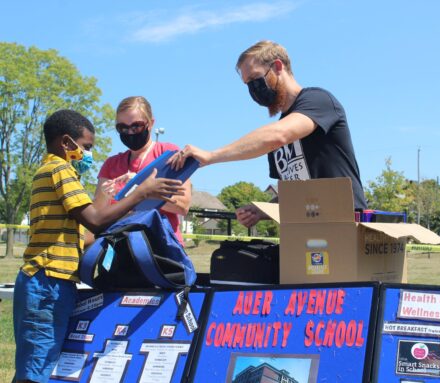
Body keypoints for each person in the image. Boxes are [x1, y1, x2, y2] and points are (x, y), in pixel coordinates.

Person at [13, 109, 183, 383]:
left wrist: (128, 211)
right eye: (86, 147)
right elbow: (95, 220)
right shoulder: (60, 169)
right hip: (47, 283)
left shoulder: (49, 170)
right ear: (67, 143)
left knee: (35, 368)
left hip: (49, 283)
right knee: (35, 373)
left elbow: (89, 231)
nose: (89, 154)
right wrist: (141, 193)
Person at [170, 40, 366, 227]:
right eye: (247, 84)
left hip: (344, 222)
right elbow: (293, 192)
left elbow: (277, 136)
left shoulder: (318, 101)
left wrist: (211, 156)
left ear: (278, 67)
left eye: (255, 79)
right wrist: (261, 211)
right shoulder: (278, 129)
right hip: (307, 225)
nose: (253, 90)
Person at [93, 96, 191, 244]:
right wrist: (106, 197)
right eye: (122, 128)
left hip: (161, 247)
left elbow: (182, 206)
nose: (130, 132)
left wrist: (140, 188)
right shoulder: (111, 164)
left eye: (136, 126)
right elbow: (97, 215)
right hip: (120, 246)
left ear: (151, 123)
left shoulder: (169, 154)